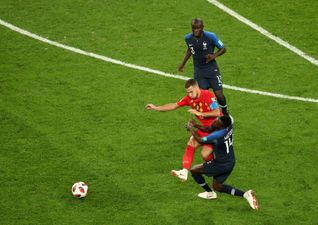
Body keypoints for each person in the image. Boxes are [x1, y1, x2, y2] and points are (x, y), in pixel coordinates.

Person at [146, 79, 221, 181]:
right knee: (191, 143)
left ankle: (217, 168)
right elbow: (174, 105)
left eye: (191, 92)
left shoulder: (208, 95)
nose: (189, 94)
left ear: (197, 88)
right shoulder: (189, 99)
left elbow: (217, 112)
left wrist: (200, 114)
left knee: (205, 154)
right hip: (203, 128)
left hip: (215, 130)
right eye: (187, 92)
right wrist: (156, 108)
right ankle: (184, 172)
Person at [187, 115, 259, 210]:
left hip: (221, 164)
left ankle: (209, 193)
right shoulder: (229, 126)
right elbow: (209, 128)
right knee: (217, 186)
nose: (215, 120)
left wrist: (191, 128)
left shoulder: (218, 136)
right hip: (230, 161)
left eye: (217, 121)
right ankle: (246, 194)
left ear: (221, 126)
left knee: (193, 170)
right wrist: (196, 125)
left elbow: (200, 140)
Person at [178, 18, 229, 115]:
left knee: (219, 94)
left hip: (211, 69)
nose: (195, 30)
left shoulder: (211, 36)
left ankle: (225, 111)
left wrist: (213, 56)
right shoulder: (188, 38)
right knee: (203, 96)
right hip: (199, 71)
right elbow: (190, 49)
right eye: (193, 28)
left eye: (198, 28)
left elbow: (223, 49)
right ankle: (212, 114)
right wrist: (182, 63)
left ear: (202, 28)